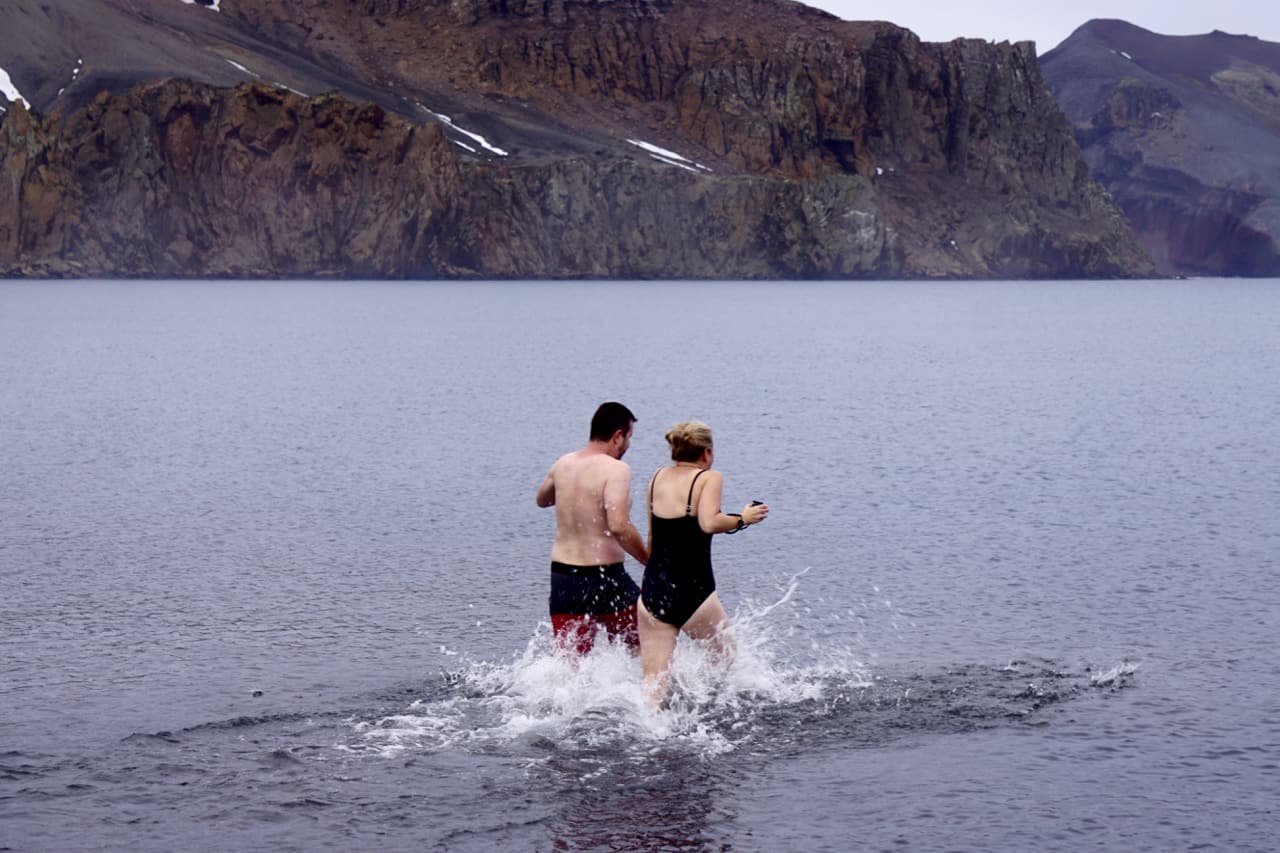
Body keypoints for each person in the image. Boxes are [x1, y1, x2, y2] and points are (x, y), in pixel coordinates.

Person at [638, 420, 768, 704]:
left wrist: (653, 581)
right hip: (692, 590)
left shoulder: (656, 477)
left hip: (652, 589)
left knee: (653, 681)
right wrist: (742, 519)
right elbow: (709, 522)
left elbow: (651, 537)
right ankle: (700, 704)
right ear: (706, 453)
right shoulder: (708, 478)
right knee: (727, 655)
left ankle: (652, 729)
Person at [536, 402, 649, 655]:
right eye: (629, 437)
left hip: (563, 579)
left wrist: (572, 495)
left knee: (570, 665)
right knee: (646, 643)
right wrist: (647, 560)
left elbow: (542, 499)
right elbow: (619, 525)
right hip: (604, 578)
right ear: (617, 436)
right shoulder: (616, 469)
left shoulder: (563, 463)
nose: (628, 445)